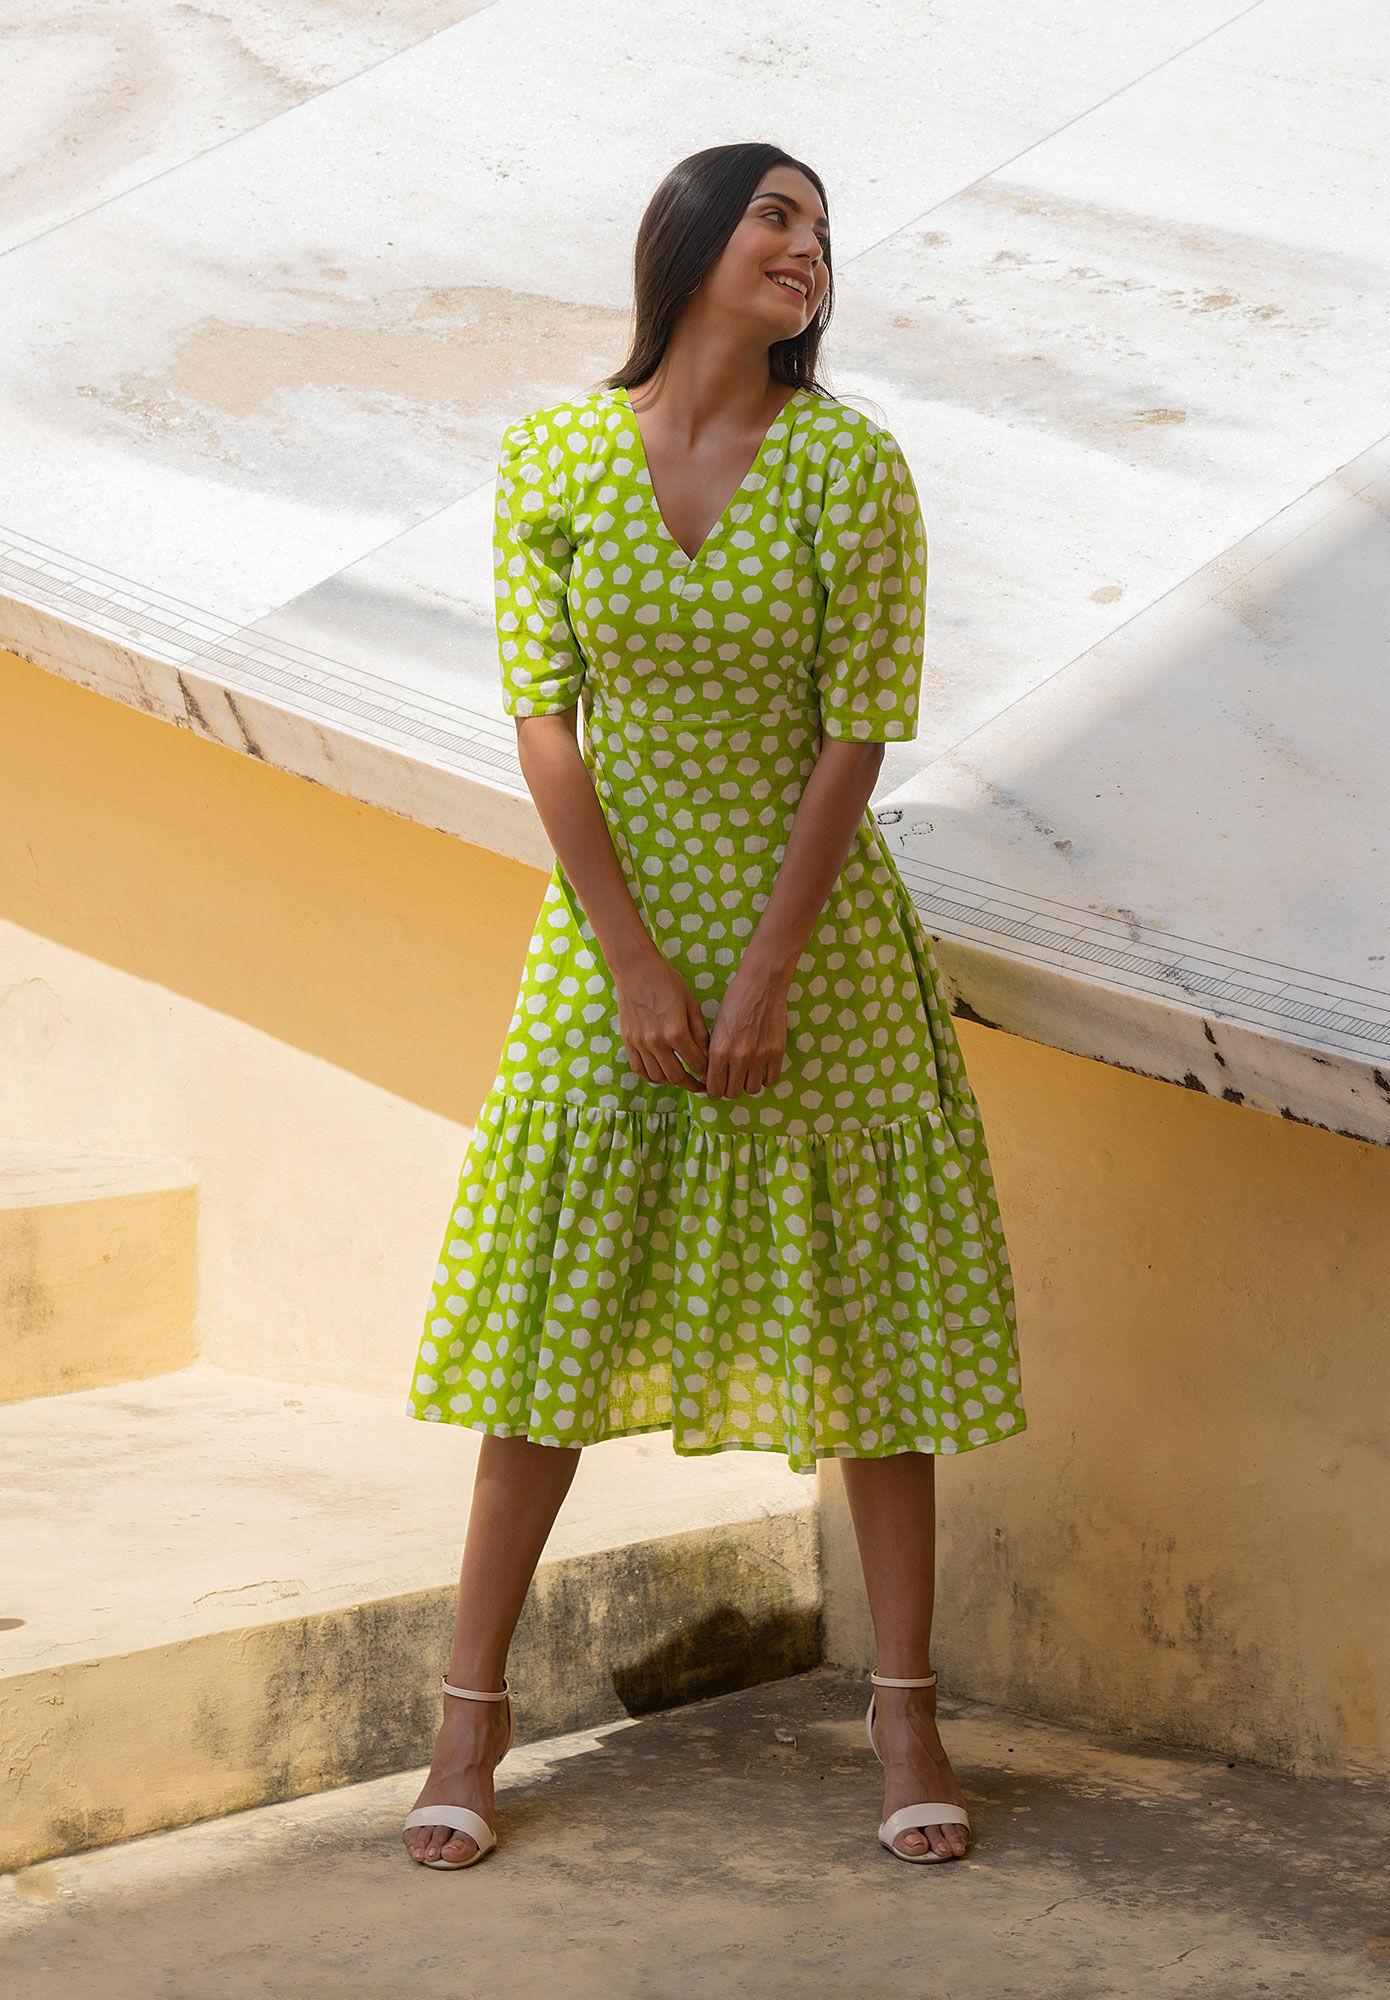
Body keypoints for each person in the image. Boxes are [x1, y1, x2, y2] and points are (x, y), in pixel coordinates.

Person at [401, 142, 1025, 1870]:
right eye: (777, 215)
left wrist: (761, 968)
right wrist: (633, 953)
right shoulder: (554, 458)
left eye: (826, 229)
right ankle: (468, 1724)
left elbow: (857, 729)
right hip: (610, 950)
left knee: (876, 1342)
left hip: (815, 955)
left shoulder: (850, 468)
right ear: (684, 238)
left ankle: (905, 1708)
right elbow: (545, 716)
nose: (809, 249)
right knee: (546, 1327)